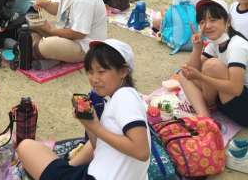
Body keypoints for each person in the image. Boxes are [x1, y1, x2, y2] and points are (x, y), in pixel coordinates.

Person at [17, 38, 150, 180]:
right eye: (90, 72)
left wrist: (97, 128)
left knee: (25, 147)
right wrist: (89, 124)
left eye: (101, 71)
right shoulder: (118, 99)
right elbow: (99, 147)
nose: (94, 79)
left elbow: (141, 152)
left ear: (123, 71)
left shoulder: (125, 96)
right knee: (30, 150)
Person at [179, 0, 248, 128]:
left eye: (213, 20)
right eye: (202, 22)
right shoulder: (216, 43)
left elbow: (235, 88)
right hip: (235, 96)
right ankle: (204, 115)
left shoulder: (236, 46)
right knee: (184, 74)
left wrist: (200, 77)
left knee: (212, 66)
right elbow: (191, 71)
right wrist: (197, 48)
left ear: (228, 21)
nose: (207, 26)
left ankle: (208, 106)